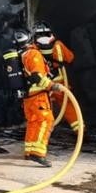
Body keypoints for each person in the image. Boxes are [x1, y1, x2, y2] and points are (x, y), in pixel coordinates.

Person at [17, 28, 62, 167]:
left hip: (28, 97)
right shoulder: (33, 54)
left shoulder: (21, 54)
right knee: (45, 121)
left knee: (33, 122)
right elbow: (37, 76)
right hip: (38, 97)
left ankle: (30, 151)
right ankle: (38, 154)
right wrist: (51, 86)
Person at [34, 22, 80, 134]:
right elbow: (70, 58)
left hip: (42, 83)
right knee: (68, 105)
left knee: (44, 108)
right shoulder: (57, 44)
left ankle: (44, 133)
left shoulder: (34, 46)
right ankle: (79, 130)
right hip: (59, 81)